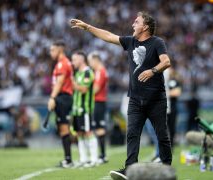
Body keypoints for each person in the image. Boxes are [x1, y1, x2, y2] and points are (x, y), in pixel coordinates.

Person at [71, 11, 172, 179]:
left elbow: (166, 61)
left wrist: (152, 71)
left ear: (145, 26)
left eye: (136, 22)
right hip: (135, 99)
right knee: (132, 134)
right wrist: (88, 27)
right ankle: (130, 169)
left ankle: (167, 168)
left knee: (162, 135)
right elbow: (109, 36)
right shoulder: (130, 41)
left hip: (156, 100)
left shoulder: (157, 42)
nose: (133, 24)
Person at [48, 41, 74, 168]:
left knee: (64, 129)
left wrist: (52, 98)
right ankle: (67, 159)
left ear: (60, 50)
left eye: (52, 50)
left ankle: (68, 160)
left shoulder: (62, 64)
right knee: (63, 129)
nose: (50, 53)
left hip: (62, 98)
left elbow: (59, 82)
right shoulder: (65, 63)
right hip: (64, 97)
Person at [71, 51, 99, 167]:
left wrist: (70, 80)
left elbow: (83, 89)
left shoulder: (88, 72)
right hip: (76, 109)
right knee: (79, 133)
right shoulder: (77, 73)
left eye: (74, 60)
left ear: (81, 60)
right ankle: (83, 159)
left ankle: (94, 159)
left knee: (88, 132)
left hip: (85, 109)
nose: (73, 63)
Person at [87, 52, 109, 163]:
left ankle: (102, 155)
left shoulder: (100, 71)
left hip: (98, 102)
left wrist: (85, 92)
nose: (90, 64)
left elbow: (96, 89)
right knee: (98, 128)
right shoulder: (99, 71)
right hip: (99, 102)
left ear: (95, 60)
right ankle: (101, 155)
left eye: (90, 61)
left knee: (99, 128)